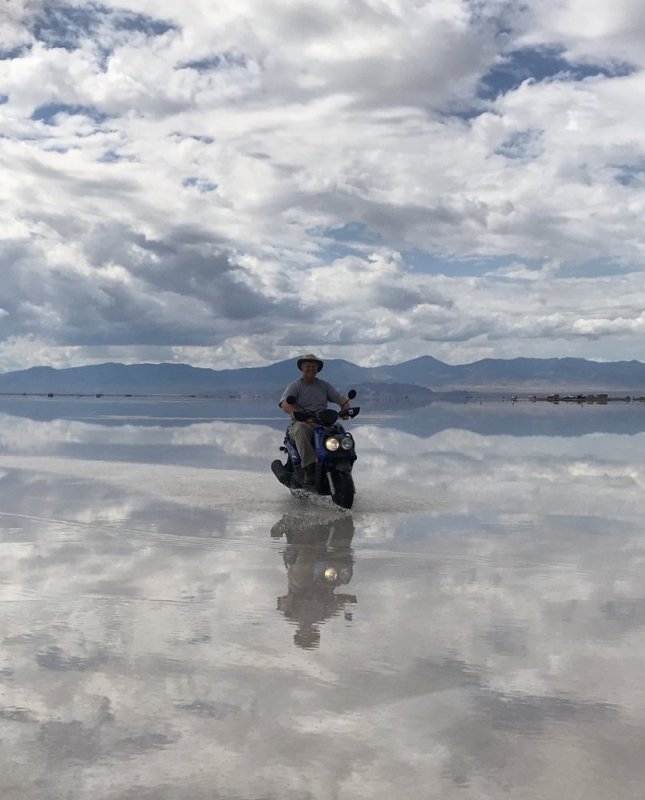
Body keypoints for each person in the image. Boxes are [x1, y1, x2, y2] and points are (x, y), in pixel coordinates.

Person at [279, 354, 349, 487]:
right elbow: (284, 403)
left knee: (339, 429)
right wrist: (296, 413)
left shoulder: (324, 385)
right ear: (302, 368)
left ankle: (344, 459)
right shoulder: (295, 386)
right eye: (308, 366)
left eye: (313, 366)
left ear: (318, 369)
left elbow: (339, 398)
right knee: (301, 429)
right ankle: (309, 468)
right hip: (301, 422)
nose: (311, 368)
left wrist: (346, 408)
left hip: (322, 422)